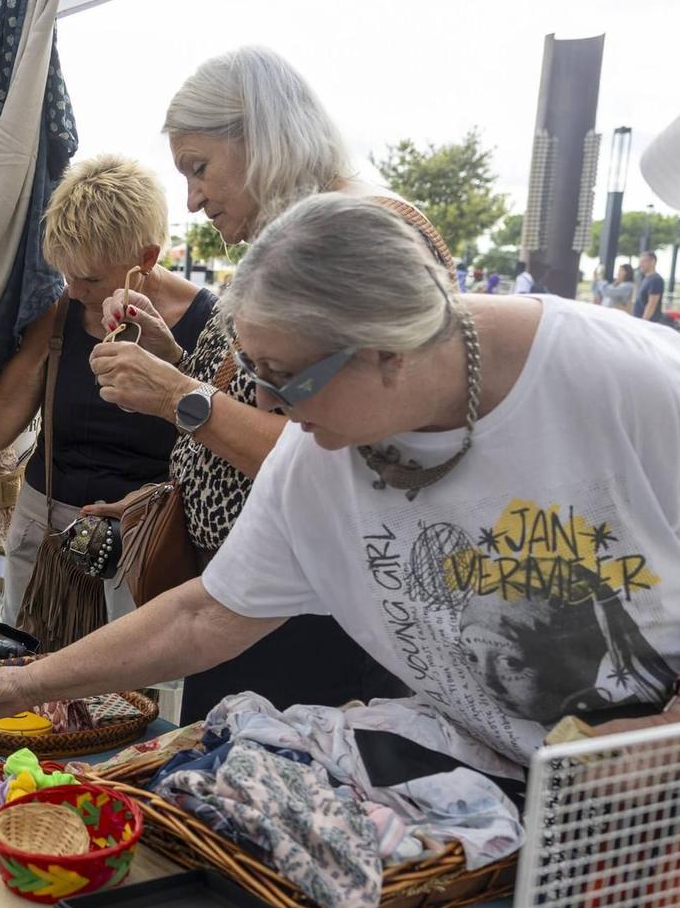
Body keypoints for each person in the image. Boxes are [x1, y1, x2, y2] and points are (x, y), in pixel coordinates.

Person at [0, 195, 680, 779]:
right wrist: (28, 682)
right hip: (513, 790)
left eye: (280, 374)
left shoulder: (639, 390)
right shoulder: (318, 449)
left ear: (386, 344)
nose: (258, 404)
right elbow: (204, 615)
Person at [74, 47, 439, 717]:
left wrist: (177, 396)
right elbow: (273, 406)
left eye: (200, 168)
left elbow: (349, 454)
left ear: (263, 138)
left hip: (312, 617)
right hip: (265, 596)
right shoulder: (302, 236)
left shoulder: (358, 236)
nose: (192, 197)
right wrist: (174, 360)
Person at [0, 154, 210, 622]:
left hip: (142, 550)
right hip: (46, 537)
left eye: (89, 278)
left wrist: (175, 365)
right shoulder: (60, 313)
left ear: (147, 258)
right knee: (25, 678)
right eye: (65, 274)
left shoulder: (207, 322)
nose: (74, 290)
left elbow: (219, 451)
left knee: (125, 696)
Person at [632, 250, 672, 326]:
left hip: (648, 324)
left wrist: (643, 323)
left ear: (653, 262)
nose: (641, 264)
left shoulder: (656, 280)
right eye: (640, 262)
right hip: (639, 321)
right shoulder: (645, 279)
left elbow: (652, 304)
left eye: (644, 262)